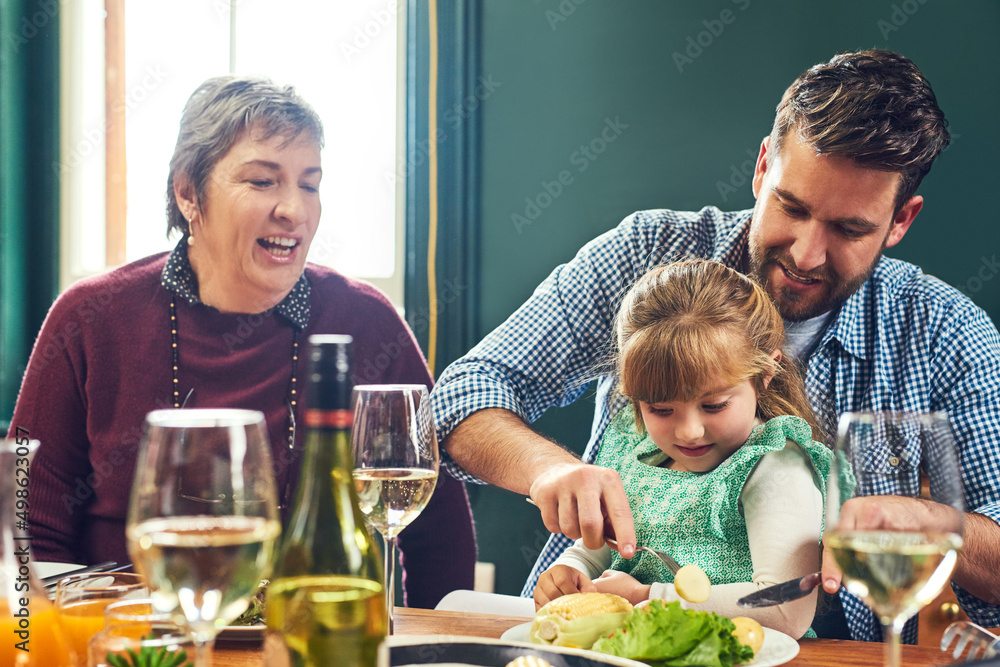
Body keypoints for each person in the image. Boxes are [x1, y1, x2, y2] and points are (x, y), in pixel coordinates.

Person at [431, 49, 1000, 641]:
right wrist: (550, 471)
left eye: (849, 229)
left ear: (901, 220)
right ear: (762, 168)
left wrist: (932, 525)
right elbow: (458, 397)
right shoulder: (645, 258)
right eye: (792, 206)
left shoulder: (946, 333)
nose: (806, 253)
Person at [8, 75, 476, 609]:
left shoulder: (365, 320)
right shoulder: (89, 318)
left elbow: (438, 537)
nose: (294, 210)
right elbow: (27, 528)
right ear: (188, 191)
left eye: (309, 184)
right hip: (133, 643)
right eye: (262, 182)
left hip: (315, 644)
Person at [533, 260, 834, 639]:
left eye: (714, 405)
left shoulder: (776, 465)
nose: (689, 432)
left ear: (765, 375)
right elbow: (605, 547)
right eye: (660, 410)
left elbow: (785, 606)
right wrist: (572, 569)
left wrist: (649, 596)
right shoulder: (634, 448)